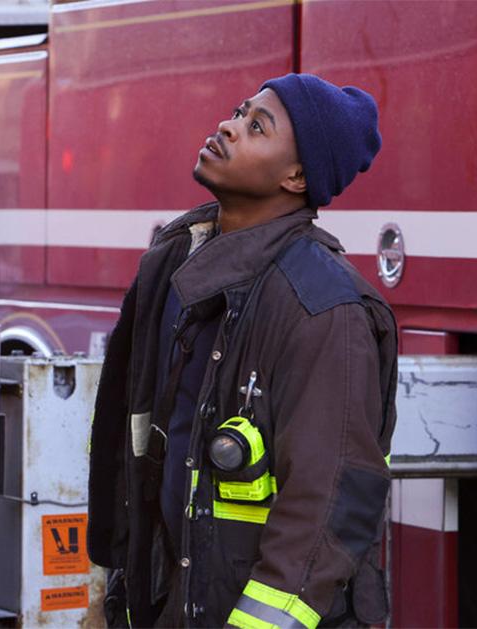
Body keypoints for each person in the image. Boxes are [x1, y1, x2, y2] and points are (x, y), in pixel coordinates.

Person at [86, 74, 398, 629]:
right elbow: (147, 469)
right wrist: (116, 593)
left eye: (257, 127)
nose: (227, 126)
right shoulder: (178, 268)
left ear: (297, 176)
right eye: (237, 112)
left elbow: (322, 512)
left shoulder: (324, 310)